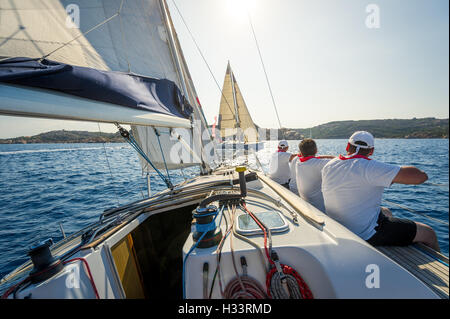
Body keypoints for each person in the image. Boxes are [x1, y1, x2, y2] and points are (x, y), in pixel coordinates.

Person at [321, 131, 440, 251]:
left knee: (386, 211)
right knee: (429, 233)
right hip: (364, 234)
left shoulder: (330, 165)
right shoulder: (370, 167)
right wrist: (390, 175)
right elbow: (421, 176)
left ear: (347, 146)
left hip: (338, 227)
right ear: (371, 151)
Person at [295, 138, 335, 212]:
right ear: (316, 150)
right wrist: (330, 156)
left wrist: (318, 157)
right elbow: (337, 160)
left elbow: (311, 159)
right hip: (319, 208)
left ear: (301, 152)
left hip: (306, 202)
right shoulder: (319, 163)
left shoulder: (298, 162)